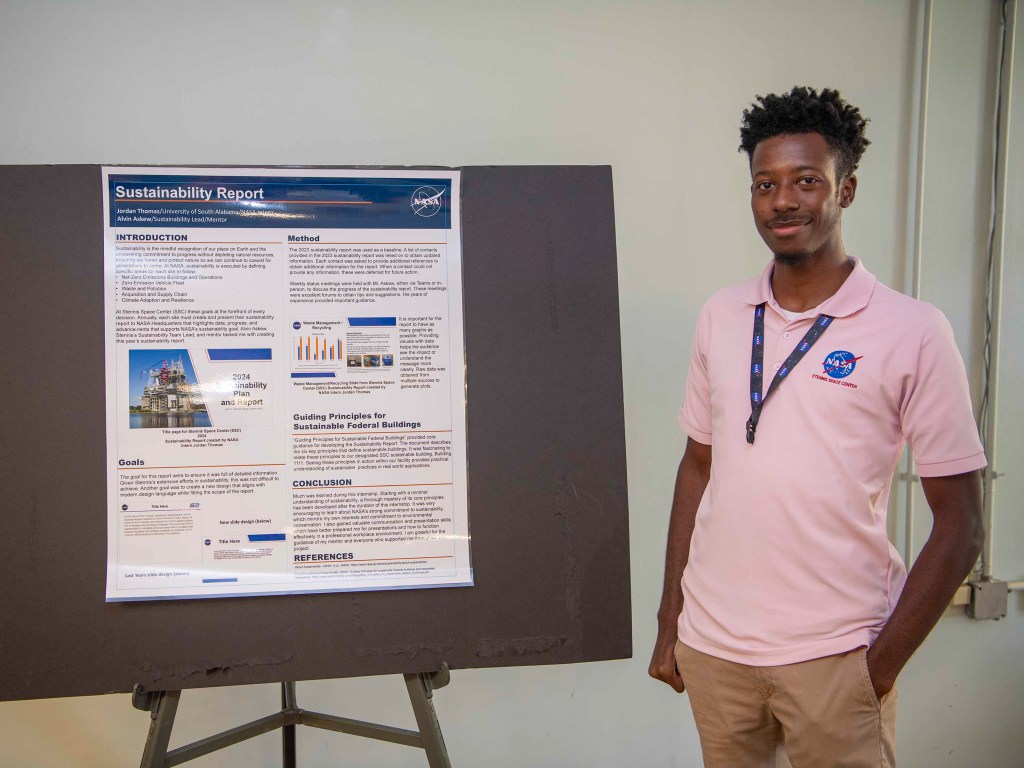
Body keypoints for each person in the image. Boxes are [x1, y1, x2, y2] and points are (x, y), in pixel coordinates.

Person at [648, 86, 986, 767]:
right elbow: (698, 467)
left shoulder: (913, 331)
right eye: (764, 184)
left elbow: (961, 526)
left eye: (806, 181)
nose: (782, 202)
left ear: (847, 189)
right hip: (716, 652)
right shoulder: (721, 314)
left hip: (837, 656)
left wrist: (878, 668)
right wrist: (671, 623)